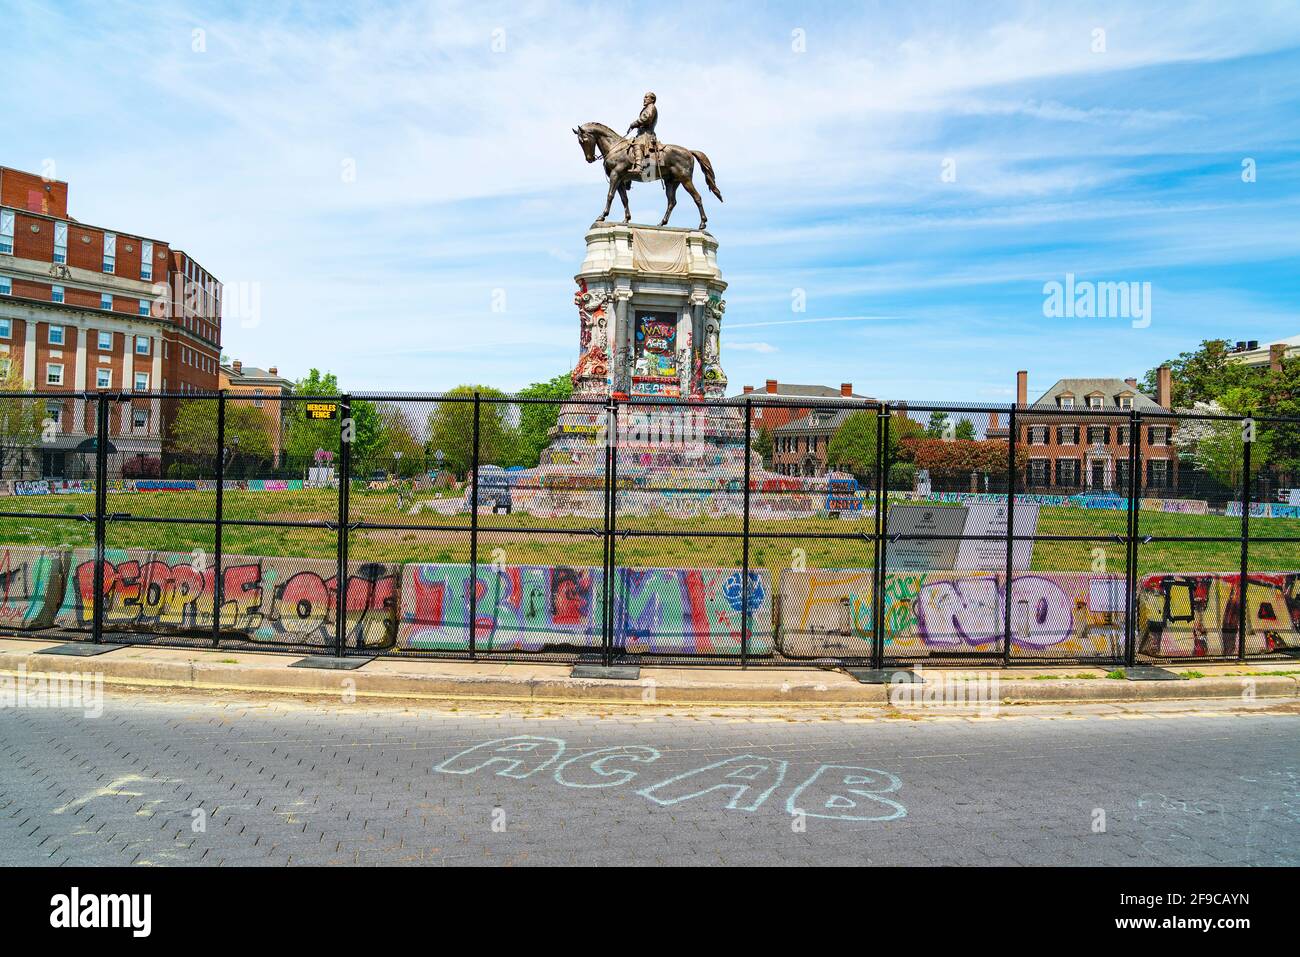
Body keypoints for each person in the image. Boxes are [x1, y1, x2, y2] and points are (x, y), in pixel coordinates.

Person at [625, 92, 659, 175]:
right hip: (641, 133)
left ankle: (639, 167)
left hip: (646, 134)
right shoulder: (647, 108)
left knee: (637, 144)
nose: (644, 99)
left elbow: (646, 118)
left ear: (652, 99)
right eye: (644, 97)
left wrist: (634, 123)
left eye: (647, 97)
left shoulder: (651, 107)